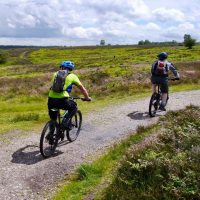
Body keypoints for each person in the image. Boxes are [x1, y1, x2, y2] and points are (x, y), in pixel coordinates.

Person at [48, 60, 91, 140]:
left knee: (53, 119)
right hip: (63, 99)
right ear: (71, 69)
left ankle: (50, 136)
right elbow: (82, 88)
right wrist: (87, 98)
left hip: (51, 99)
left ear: (61, 67)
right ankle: (65, 123)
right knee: (74, 107)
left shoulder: (55, 74)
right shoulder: (73, 76)